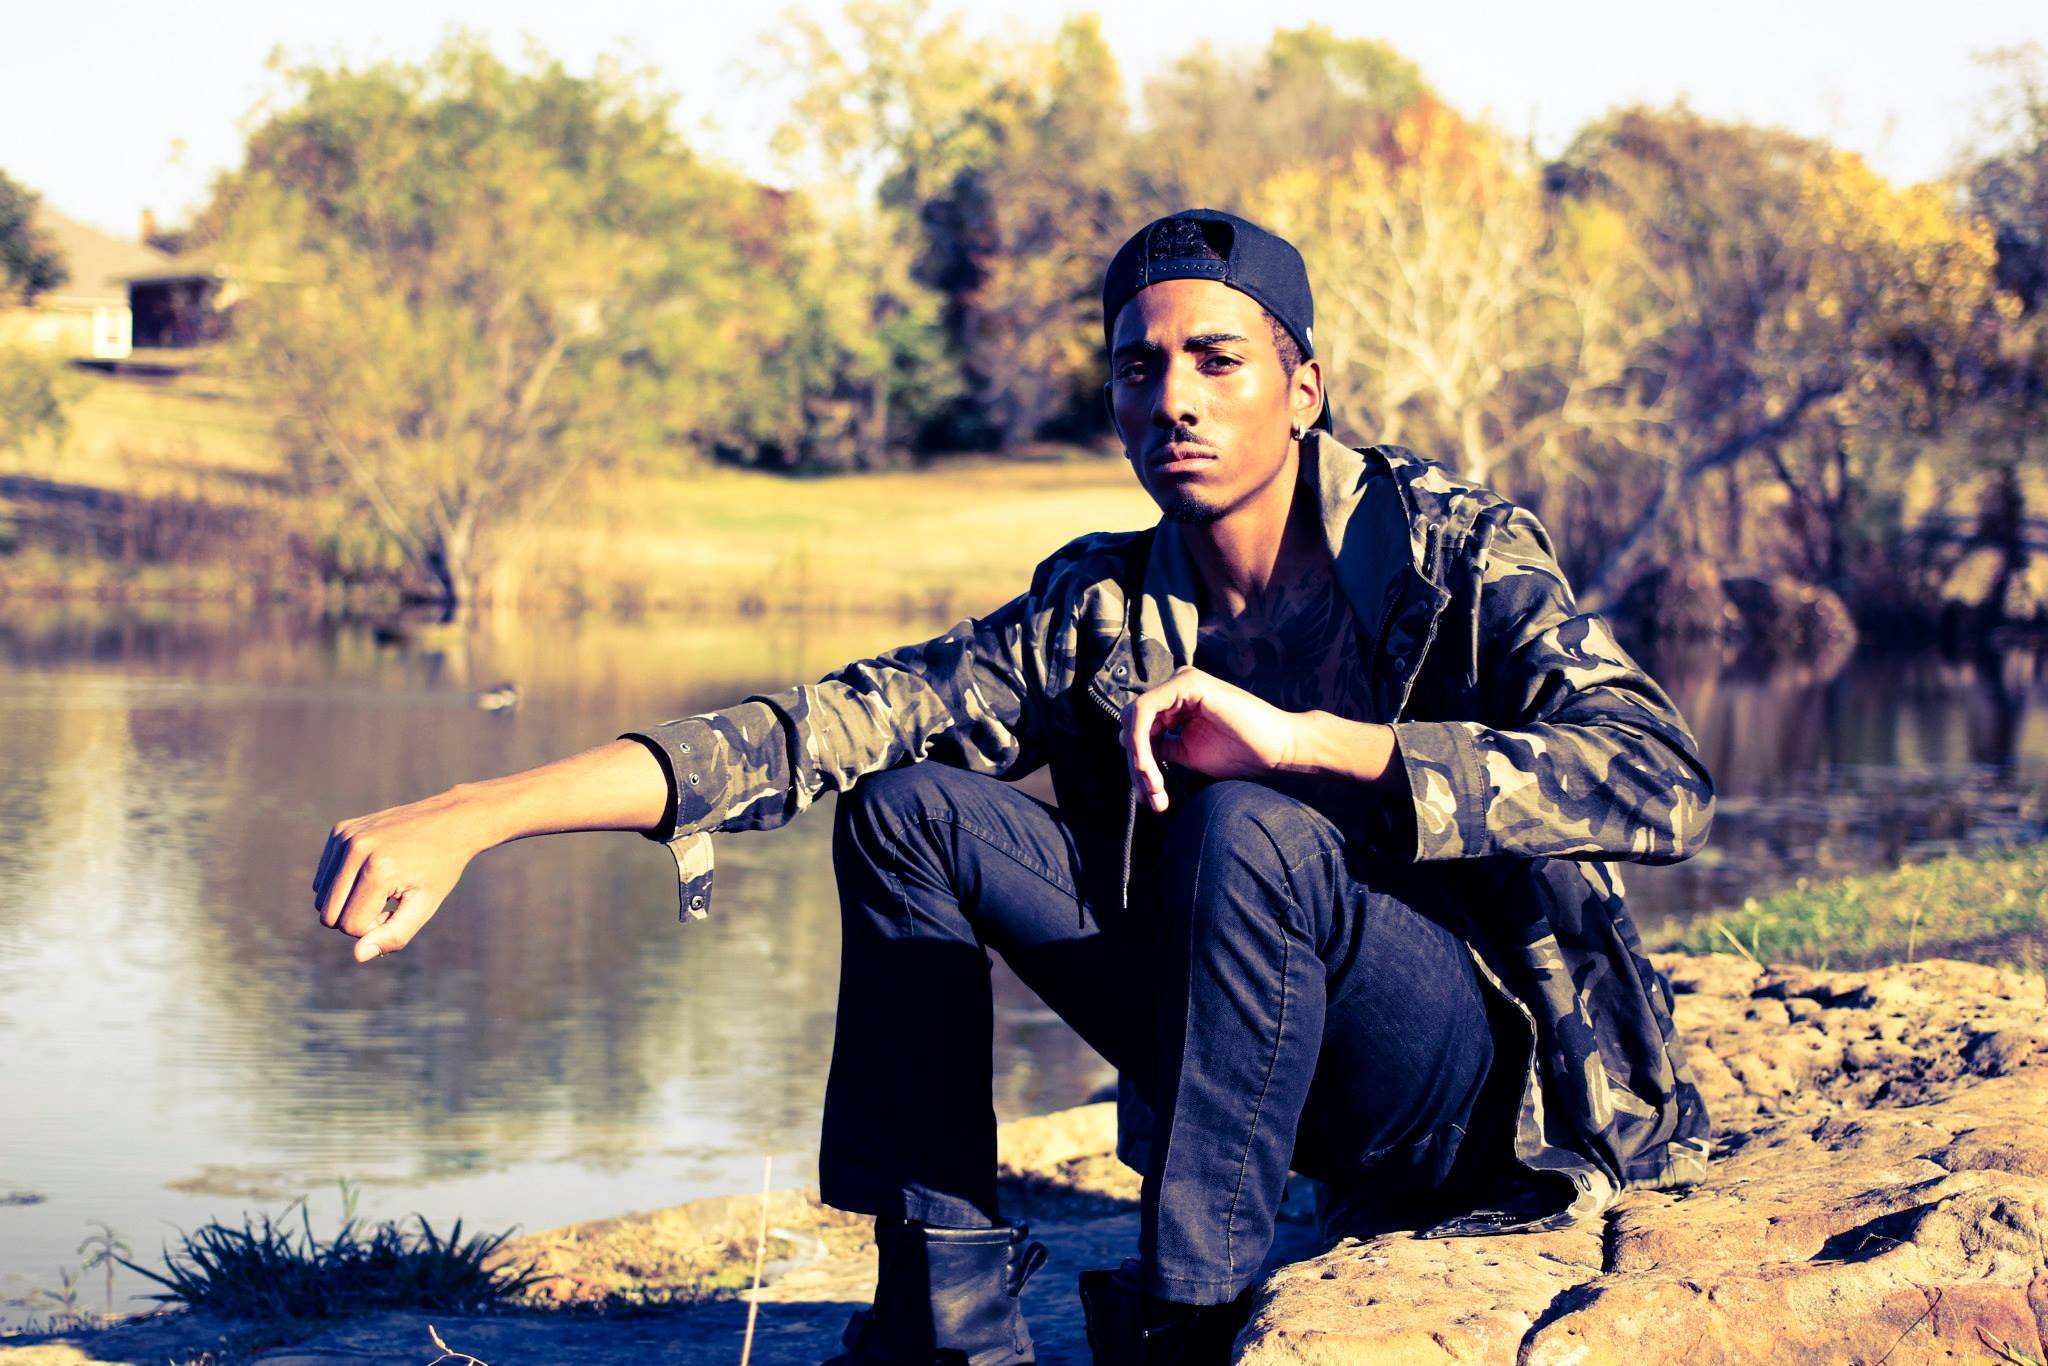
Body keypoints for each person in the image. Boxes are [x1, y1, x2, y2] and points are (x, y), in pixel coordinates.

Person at [311, 209, 1716, 1365]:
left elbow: (1660, 779)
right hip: (1247, 1057)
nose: (1170, 398)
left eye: (1215, 361)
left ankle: (1188, 1311)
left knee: (1247, 821)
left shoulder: (1454, 555)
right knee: (905, 807)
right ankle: (949, 1304)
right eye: (1136, 368)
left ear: (1304, 388)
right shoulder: (1098, 607)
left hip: (1468, 1079)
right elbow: (834, 723)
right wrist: (482, 811)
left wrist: (1301, 741)